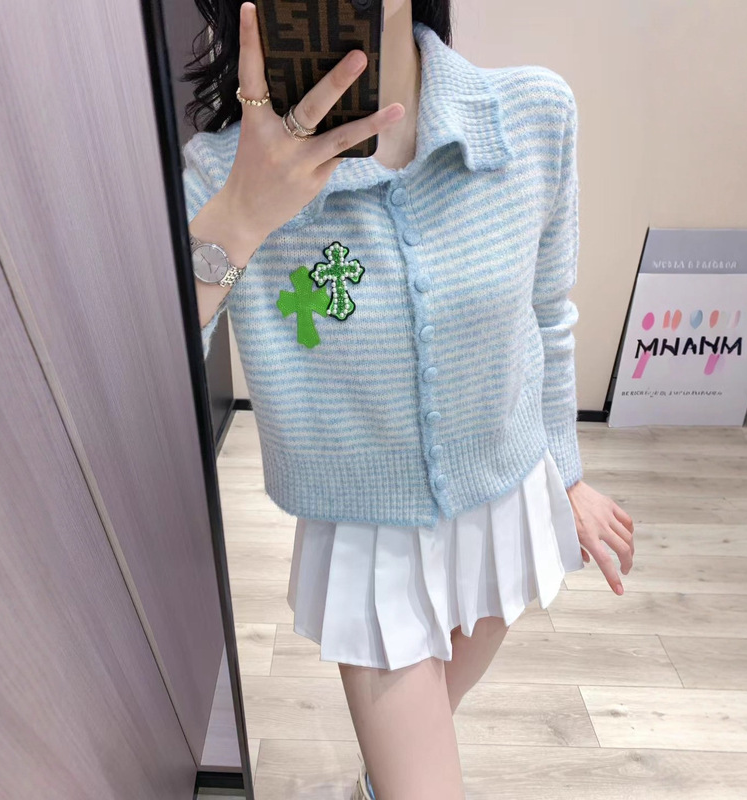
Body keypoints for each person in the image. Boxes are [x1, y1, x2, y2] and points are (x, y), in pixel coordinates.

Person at [183, 2, 635, 798]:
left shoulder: (533, 114)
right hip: (369, 542)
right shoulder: (218, 176)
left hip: (506, 499)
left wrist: (565, 474)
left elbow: (546, 314)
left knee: (414, 748)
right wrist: (240, 217)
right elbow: (152, 366)